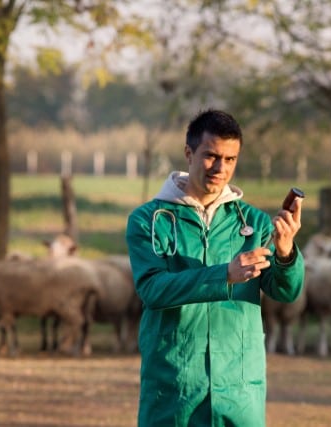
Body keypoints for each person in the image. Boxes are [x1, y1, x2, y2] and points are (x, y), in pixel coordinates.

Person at [125, 109, 305, 426]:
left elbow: (286, 292)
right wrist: (223, 275)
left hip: (239, 389)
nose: (220, 168)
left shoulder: (254, 221)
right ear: (188, 153)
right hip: (174, 387)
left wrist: (286, 251)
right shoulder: (148, 220)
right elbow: (152, 289)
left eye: (230, 159)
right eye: (211, 156)